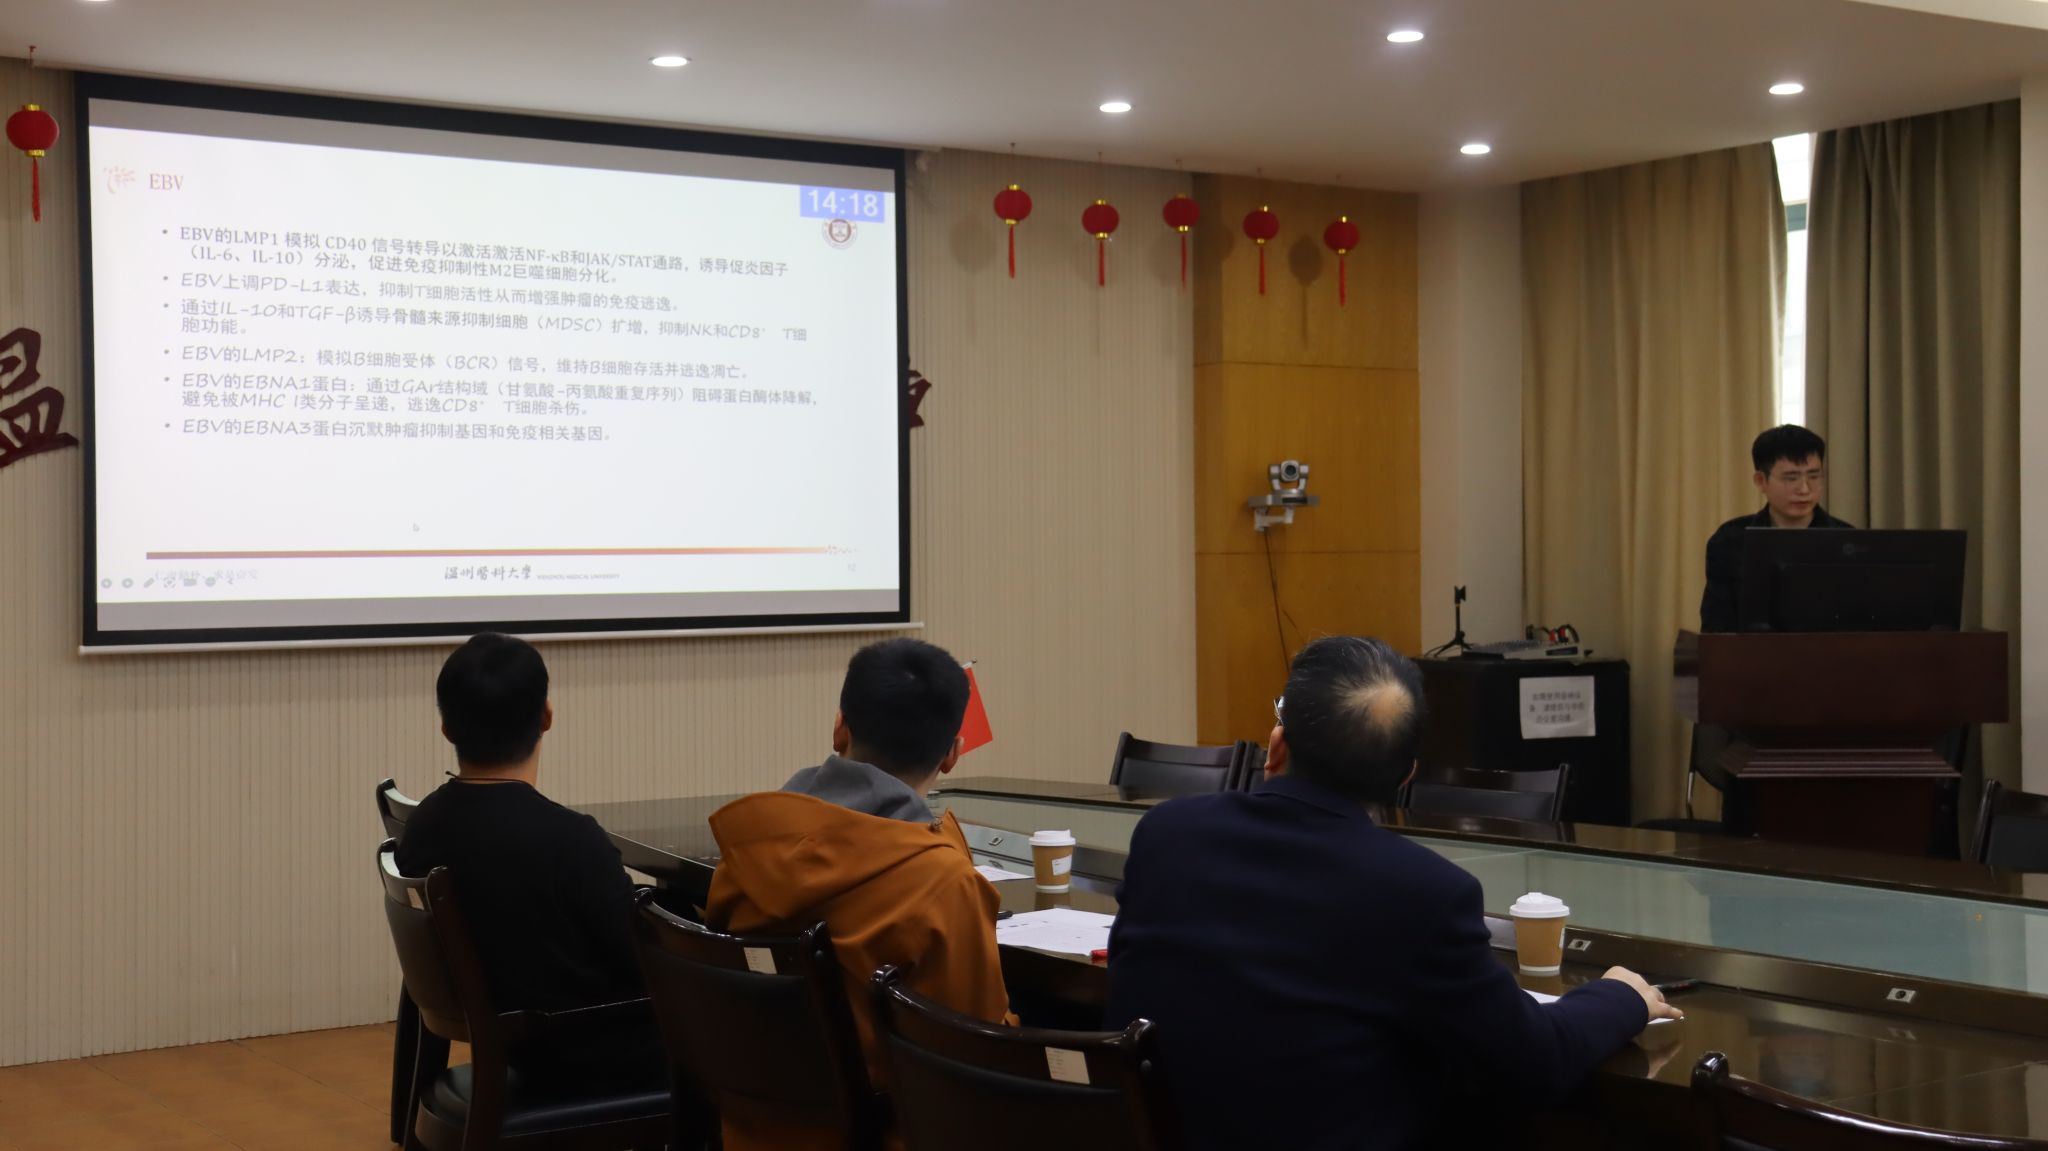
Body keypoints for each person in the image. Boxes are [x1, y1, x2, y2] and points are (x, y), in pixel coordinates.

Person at [1104, 636, 1679, 1151]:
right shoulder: (1423, 890)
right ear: (1406, 776)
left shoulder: (1168, 834)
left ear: (1276, 745)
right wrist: (1620, 997)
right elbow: (1532, 1063)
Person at [706, 637, 1013, 1151]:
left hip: (749, 1132)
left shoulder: (749, 846)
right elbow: (976, 1050)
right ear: (953, 754)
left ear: (839, 728)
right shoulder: (940, 881)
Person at [395, 633, 661, 1086]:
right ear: (546, 717)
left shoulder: (422, 826)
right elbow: (643, 959)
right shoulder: (571, 839)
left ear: (447, 728)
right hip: (589, 1052)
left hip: (514, 1044)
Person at [1700, 424, 1854, 632]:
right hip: (1753, 651)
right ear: (1761, 481)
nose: (1804, 489)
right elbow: (1717, 626)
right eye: (1791, 478)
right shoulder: (1730, 539)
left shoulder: (1847, 540)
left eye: (1813, 476)